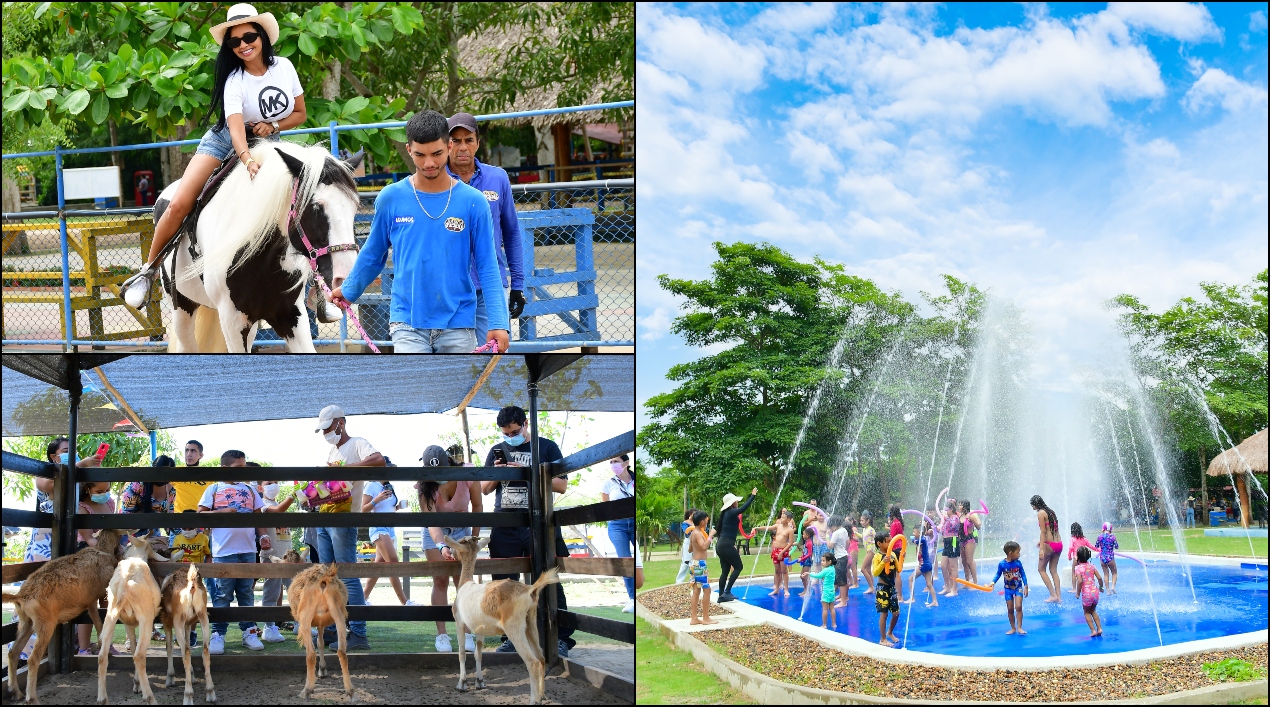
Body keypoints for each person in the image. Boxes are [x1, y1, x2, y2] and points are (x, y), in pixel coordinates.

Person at [122, 4, 305, 307]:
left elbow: (300, 113)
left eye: (249, 37)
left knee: (304, 197)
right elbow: (234, 131)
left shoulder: (284, 67)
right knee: (180, 202)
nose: (244, 45)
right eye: (235, 42)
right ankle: (148, 271)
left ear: (262, 36)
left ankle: (317, 286)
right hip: (225, 142)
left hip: (269, 142)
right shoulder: (234, 80)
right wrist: (247, 161)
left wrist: (272, 125)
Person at [329, 109, 510, 353]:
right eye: (420, 154)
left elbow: (488, 265)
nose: (429, 163)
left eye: (436, 153)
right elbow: (373, 255)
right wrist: (350, 290)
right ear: (408, 150)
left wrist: (499, 323)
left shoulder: (473, 201)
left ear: (448, 147)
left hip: (458, 324)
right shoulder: (391, 198)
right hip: (407, 324)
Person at [480, 405, 576, 657]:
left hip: (539, 523)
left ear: (525, 424)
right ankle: (512, 636)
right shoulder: (496, 450)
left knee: (546, 578)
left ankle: (559, 638)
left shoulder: (547, 447)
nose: (509, 436)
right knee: (503, 583)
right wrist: (500, 473)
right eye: (505, 432)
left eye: (513, 431)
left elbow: (561, 485)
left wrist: (526, 475)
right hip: (505, 524)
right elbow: (485, 489)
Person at [445, 112, 526, 343]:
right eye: (456, 140)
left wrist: (517, 285)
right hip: (451, 289)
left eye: (468, 140)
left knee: (494, 356)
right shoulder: (436, 182)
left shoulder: (497, 178)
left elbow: (511, 233)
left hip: (490, 286)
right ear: (446, 144)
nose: (462, 147)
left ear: (477, 143)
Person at [314, 405, 381, 651]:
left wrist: (346, 471)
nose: (325, 433)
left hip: (344, 519)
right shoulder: (333, 450)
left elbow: (379, 460)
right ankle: (331, 629)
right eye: (322, 429)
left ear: (340, 423)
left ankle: (359, 633)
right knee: (327, 576)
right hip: (326, 517)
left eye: (328, 427)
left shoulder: (358, 444)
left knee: (349, 577)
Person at [198, 450, 270, 654]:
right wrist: (222, 512)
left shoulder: (250, 489)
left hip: (248, 549)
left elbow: (259, 517)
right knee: (222, 594)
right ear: (224, 468)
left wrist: (263, 536)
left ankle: (249, 632)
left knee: (246, 593)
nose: (243, 470)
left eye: (244, 467)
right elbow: (200, 515)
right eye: (238, 467)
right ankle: (218, 634)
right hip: (223, 551)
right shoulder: (213, 488)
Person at [417, 444, 481, 652]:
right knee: (440, 579)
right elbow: (432, 521)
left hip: (462, 528)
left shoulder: (467, 474)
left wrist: (473, 538)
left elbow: (478, 506)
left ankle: (467, 631)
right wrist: (442, 545)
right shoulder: (425, 487)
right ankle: (442, 635)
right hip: (436, 532)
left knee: (463, 581)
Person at [74, 479, 116, 656]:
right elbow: (89, 539)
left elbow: (114, 530)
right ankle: (84, 648)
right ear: (87, 488)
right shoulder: (81, 507)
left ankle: (106, 644)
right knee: (88, 602)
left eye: (107, 489)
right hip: (88, 557)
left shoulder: (110, 503)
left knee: (107, 602)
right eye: (99, 491)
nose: (104, 493)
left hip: (109, 556)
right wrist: (108, 548)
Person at [361, 477, 414, 607]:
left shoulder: (389, 486)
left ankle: (362, 600)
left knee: (379, 566)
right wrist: (376, 500)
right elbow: (363, 510)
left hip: (390, 528)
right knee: (393, 561)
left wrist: (398, 507)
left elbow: (388, 509)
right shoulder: (371, 485)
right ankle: (404, 602)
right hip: (378, 526)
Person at [257, 473, 295, 643]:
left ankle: (301, 622)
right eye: (269, 482)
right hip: (271, 556)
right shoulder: (263, 505)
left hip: (288, 557)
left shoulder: (278, 504)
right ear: (260, 488)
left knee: (295, 590)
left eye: (276, 482)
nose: (274, 485)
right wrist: (294, 495)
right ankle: (269, 626)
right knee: (271, 592)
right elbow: (279, 510)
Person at [600, 454, 636, 613]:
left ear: (626, 463)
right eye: (611, 462)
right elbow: (605, 507)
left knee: (639, 559)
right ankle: (632, 598)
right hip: (617, 525)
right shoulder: (608, 484)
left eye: (616, 461)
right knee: (625, 561)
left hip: (635, 521)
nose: (613, 464)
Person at [715, 487, 757, 602]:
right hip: (726, 545)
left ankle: (721, 595)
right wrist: (752, 496)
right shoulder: (731, 512)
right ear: (732, 503)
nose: (737, 502)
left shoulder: (726, 513)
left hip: (721, 545)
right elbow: (743, 508)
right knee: (738, 566)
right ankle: (727, 592)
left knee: (725, 571)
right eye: (736, 501)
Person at [119, 455, 175, 533]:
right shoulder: (138, 485)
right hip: (130, 533)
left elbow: (170, 519)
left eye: (167, 474)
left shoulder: (171, 491)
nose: (163, 477)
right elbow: (127, 516)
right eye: (161, 473)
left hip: (153, 534)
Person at [753, 509, 796, 597]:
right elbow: (767, 528)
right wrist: (757, 528)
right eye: (781, 517)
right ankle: (776, 588)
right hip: (775, 550)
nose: (781, 519)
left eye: (783, 518)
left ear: (788, 520)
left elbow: (790, 543)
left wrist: (782, 552)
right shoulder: (778, 526)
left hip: (783, 551)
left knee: (784, 571)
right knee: (777, 571)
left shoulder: (790, 530)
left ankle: (786, 589)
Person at [990, 541, 1029, 635]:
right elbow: (998, 574)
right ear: (1011, 553)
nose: (1019, 554)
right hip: (1008, 589)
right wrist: (993, 582)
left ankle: (1019, 627)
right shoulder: (1002, 564)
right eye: (1018, 552)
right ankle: (1013, 628)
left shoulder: (1018, 563)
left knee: (1018, 606)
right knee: (1010, 609)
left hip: (1018, 588)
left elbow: (1023, 574)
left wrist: (1026, 585)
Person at [686, 510, 717, 626]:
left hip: (694, 563)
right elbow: (704, 547)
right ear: (701, 521)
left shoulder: (694, 533)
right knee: (707, 590)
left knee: (696, 590)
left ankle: (694, 618)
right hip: (700, 565)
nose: (707, 520)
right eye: (706, 519)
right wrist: (710, 536)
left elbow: (690, 549)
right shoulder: (698, 533)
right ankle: (706, 618)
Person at [1031, 495, 1063, 603]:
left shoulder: (1040, 513)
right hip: (1059, 543)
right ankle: (1059, 597)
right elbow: (1052, 529)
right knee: (1053, 570)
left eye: (1032, 505)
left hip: (1050, 545)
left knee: (1041, 569)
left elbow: (1043, 532)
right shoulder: (1051, 512)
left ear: (1036, 504)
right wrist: (1041, 542)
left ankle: (1053, 595)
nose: (1032, 508)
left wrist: (1041, 548)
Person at [872, 534, 900, 646]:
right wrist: (883, 562)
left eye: (891, 541)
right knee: (884, 614)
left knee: (896, 613)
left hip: (891, 587)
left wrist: (899, 558)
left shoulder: (892, 554)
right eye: (888, 542)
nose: (890, 544)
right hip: (882, 588)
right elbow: (875, 573)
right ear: (879, 544)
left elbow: (898, 569)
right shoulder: (877, 557)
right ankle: (883, 639)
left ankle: (890, 632)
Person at [906, 520, 938, 607]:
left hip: (924, 565)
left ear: (919, 533)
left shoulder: (922, 540)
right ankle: (935, 601)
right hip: (927, 564)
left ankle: (912, 598)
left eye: (914, 532)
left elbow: (914, 541)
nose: (913, 533)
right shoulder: (920, 539)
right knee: (929, 584)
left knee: (910, 579)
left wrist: (907, 539)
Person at [172, 440, 210, 514]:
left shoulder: (207, 475)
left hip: (199, 518)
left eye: (193, 451)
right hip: (179, 518)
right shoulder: (176, 472)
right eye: (187, 450)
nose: (189, 454)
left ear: (201, 455)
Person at [1073, 546, 1104, 637]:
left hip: (1086, 594)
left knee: (1086, 612)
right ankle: (1099, 628)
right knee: (1093, 610)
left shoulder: (1077, 568)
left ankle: (1093, 630)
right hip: (1095, 592)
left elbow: (1079, 581)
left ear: (1078, 557)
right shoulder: (1092, 566)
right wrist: (1101, 587)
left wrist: (1078, 593)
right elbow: (1099, 578)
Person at [1067, 522, 1099, 594]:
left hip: (1076, 558)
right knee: (1085, 572)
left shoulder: (1072, 539)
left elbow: (1070, 547)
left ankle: (1074, 589)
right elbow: (1092, 546)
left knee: (1074, 572)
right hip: (1084, 558)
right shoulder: (1084, 539)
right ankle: (1086, 586)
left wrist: (1069, 556)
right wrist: (1100, 549)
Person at [827, 515, 852, 608]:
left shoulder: (836, 533)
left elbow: (830, 546)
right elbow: (847, 543)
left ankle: (843, 601)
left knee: (841, 580)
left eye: (831, 526)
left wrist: (827, 536)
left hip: (839, 558)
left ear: (835, 524)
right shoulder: (844, 530)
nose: (831, 528)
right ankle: (843, 596)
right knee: (842, 578)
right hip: (844, 555)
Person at [809, 552, 838, 629]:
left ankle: (824, 625)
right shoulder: (832, 569)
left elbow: (818, 575)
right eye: (822, 560)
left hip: (826, 592)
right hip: (832, 591)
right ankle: (834, 624)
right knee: (832, 608)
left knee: (825, 609)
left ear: (829, 561)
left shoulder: (825, 570)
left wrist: (809, 574)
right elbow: (828, 578)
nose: (822, 562)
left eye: (824, 561)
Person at [938, 499, 960, 597]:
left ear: (951, 509)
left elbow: (954, 526)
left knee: (953, 566)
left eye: (947, 509)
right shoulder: (946, 519)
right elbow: (942, 530)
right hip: (946, 541)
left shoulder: (955, 517)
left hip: (953, 541)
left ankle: (954, 589)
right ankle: (947, 586)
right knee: (943, 565)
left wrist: (945, 517)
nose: (946, 511)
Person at [959, 500, 981, 586]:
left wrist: (974, 521)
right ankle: (967, 581)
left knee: (969, 560)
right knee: (964, 561)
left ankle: (975, 582)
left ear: (964, 506)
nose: (959, 506)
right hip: (961, 540)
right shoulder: (961, 516)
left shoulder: (971, 515)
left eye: (960, 505)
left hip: (969, 540)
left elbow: (978, 526)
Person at [1094, 522, 1120, 595]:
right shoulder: (1113, 537)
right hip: (1110, 558)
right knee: (1114, 573)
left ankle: (1108, 590)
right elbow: (1117, 547)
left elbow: (1096, 546)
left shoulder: (1100, 537)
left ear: (1103, 529)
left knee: (1106, 574)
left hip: (1102, 558)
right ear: (1110, 530)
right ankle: (1113, 587)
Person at [674, 508, 699, 585]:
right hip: (688, 542)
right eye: (693, 514)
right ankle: (679, 581)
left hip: (697, 542)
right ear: (690, 514)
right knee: (686, 561)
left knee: (695, 561)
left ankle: (694, 579)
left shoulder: (698, 522)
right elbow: (686, 532)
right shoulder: (685, 523)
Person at [887, 504, 905, 604]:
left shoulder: (895, 523)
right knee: (896, 573)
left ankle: (899, 596)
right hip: (900, 548)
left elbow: (892, 538)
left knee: (897, 573)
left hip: (896, 549)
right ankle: (897, 594)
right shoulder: (899, 522)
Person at [858, 510, 877, 594]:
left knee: (863, 569)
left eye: (862, 520)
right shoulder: (864, 530)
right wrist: (855, 533)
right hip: (867, 551)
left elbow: (877, 538)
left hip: (871, 550)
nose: (861, 522)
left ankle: (871, 586)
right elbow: (863, 537)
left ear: (867, 521)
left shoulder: (871, 529)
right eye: (860, 520)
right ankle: (872, 586)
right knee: (868, 569)